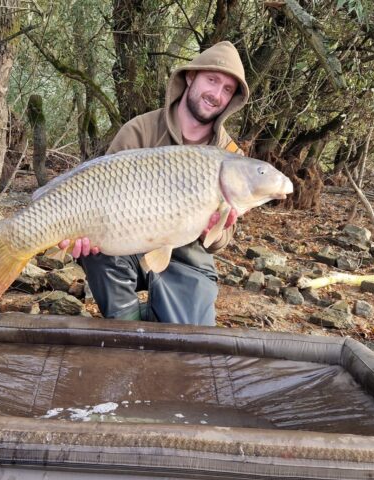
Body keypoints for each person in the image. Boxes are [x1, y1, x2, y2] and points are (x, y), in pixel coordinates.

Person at [60, 41, 250, 326]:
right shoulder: (140, 129)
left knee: (190, 340)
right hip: (128, 241)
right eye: (212, 80)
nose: (216, 94)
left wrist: (215, 229)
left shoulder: (231, 156)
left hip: (186, 254)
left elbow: (220, 242)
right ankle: (128, 329)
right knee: (98, 251)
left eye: (227, 90)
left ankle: (157, 321)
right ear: (190, 77)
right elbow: (98, 193)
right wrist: (78, 234)